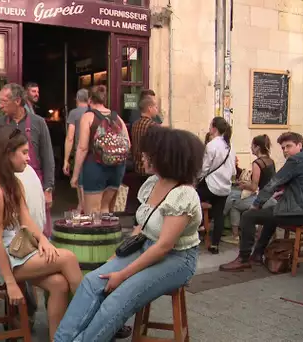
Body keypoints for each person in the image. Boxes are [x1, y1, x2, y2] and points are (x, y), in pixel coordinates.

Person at [54, 126, 203, 342]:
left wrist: (123, 274)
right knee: (91, 282)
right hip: (145, 246)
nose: (143, 156)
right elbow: (142, 226)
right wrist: (118, 256)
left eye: (149, 152)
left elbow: (164, 247)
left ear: (165, 157)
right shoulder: (154, 183)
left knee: (118, 299)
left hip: (177, 259)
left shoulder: (184, 195)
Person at [0, 126, 82, 340]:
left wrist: (43, 240)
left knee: (59, 284)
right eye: (23, 153)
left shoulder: (12, 183)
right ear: (8, 154)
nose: (28, 159)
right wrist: (11, 283)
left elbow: (25, 220)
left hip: (11, 248)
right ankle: (92, 318)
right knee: (68, 258)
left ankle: (59, 338)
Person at [220, 132, 303, 271]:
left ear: (299, 145)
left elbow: (273, 184)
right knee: (271, 215)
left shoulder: (296, 160)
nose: (285, 151)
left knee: (248, 216)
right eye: (283, 148)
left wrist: (256, 204)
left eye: (289, 146)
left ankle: (243, 258)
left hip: (302, 213)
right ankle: (257, 254)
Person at [0, 83, 55, 238]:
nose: (0, 106)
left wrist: (48, 189)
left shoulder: (38, 122)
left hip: (34, 181)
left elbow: (47, 156)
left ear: (18, 101)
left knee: (37, 225)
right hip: (7, 180)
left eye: (4, 102)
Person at [71, 85, 130, 214]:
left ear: (89, 100)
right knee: (105, 209)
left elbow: (82, 148)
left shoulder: (88, 117)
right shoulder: (117, 117)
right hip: (117, 167)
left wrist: (75, 175)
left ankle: (94, 234)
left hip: (95, 167)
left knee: (92, 212)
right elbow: (128, 144)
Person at [222, 135, 276, 244]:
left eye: (252, 145)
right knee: (236, 201)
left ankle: (234, 234)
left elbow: (254, 187)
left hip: (261, 200)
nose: (251, 148)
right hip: (271, 198)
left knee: (234, 203)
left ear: (257, 147)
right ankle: (236, 235)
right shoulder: (270, 161)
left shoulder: (257, 163)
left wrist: (243, 185)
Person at [197, 117, 235, 254]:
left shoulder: (211, 145)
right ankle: (215, 245)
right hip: (225, 188)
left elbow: (204, 168)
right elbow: (234, 170)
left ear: (214, 128)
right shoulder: (230, 146)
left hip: (211, 185)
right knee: (219, 214)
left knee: (192, 196)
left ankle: (199, 225)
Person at [63, 89, 89, 213]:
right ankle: (84, 207)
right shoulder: (93, 111)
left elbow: (70, 137)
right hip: (94, 153)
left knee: (80, 181)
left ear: (77, 99)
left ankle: (82, 207)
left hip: (80, 151)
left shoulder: (74, 113)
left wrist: (66, 160)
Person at [131, 95, 160, 184]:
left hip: (136, 167)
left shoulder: (135, 124)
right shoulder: (153, 126)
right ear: (149, 108)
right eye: (155, 107)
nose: (157, 110)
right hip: (149, 169)